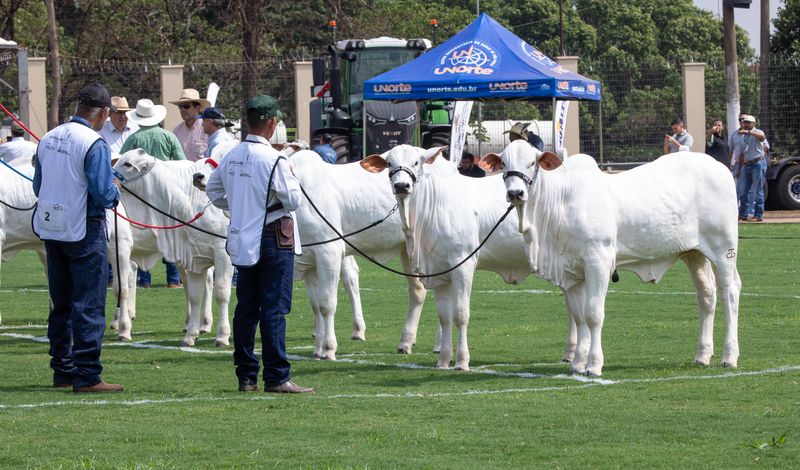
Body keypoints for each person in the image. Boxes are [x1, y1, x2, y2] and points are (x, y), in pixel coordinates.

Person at [205, 94, 313, 394]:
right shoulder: (275, 159)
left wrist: (240, 205)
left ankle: (246, 376)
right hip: (274, 235)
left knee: (246, 308)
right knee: (274, 307)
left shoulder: (232, 154)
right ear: (272, 122)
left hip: (243, 235)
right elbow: (293, 200)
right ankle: (277, 376)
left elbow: (213, 191)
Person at [32, 83, 123, 393]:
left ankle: (63, 369)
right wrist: (115, 191)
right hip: (84, 228)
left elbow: (38, 187)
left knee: (61, 303)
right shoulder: (94, 143)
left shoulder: (49, 137)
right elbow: (102, 193)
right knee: (88, 304)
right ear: (102, 112)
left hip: (52, 228)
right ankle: (87, 375)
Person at [120, 98, 184, 288]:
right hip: (165, 192)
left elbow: (123, 162)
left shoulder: (133, 139)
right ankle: (173, 278)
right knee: (169, 232)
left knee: (143, 232)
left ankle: (144, 278)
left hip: (141, 195)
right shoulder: (169, 137)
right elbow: (181, 162)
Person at [731, 114, 768, 222]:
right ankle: (743, 214)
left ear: (753, 124)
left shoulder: (757, 132)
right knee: (744, 190)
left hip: (757, 163)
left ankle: (758, 215)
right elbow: (742, 154)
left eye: (748, 122)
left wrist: (748, 132)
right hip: (746, 165)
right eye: (744, 122)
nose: (746, 124)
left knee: (757, 190)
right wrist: (739, 169)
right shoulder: (743, 137)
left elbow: (762, 137)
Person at [169, 88, 210, 161]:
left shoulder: (206, 128)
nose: (182, 109)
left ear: (197, 108)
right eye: (180, 107)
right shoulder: (177, 130)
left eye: (186, 106)